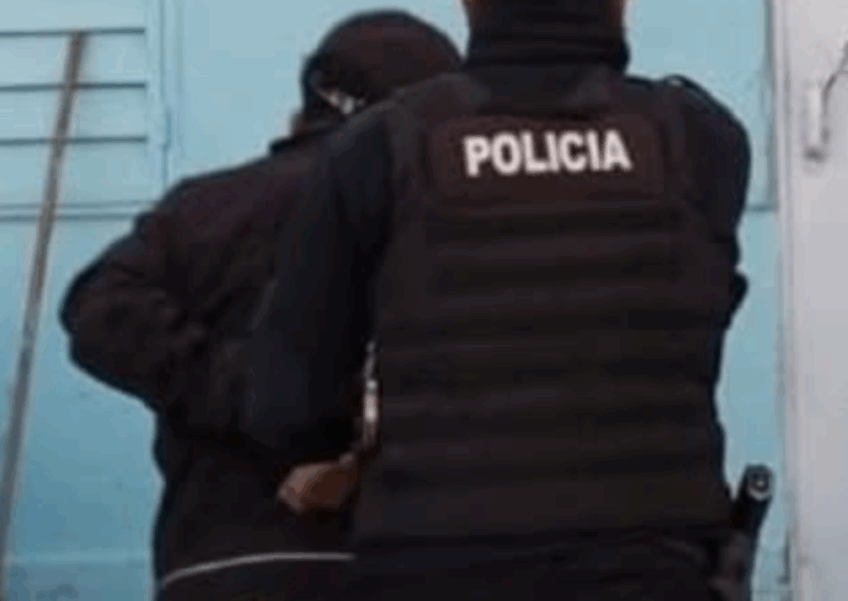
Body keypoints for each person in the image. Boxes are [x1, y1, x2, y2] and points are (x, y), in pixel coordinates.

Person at [242, 0, 761, 599]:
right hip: (654, 564)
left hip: (433, 565)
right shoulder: (702, 140)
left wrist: (352, 447)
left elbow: (286, 407)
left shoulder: (377, 148)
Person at [58, 11, 461, 601]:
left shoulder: (203, 210)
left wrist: (237, 391)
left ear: (307, 106)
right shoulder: (451, 226)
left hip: (224, 560)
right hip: (411, 559)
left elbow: (97, 312)